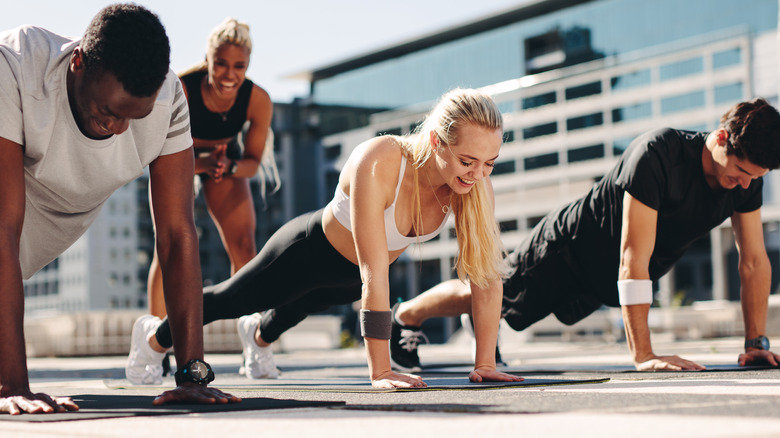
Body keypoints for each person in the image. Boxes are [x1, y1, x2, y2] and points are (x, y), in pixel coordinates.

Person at [126, 88, 524, 388]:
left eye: (489, 163)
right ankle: (152, 338)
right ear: (437, 141)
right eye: (467, 161)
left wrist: (485, 364)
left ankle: (257, 336)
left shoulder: (474, 187)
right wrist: (381, 371)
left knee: (296, 310)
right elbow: (375, 271)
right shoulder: (382, 160)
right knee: (233, 299)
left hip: (350, 282)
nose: (477, 174)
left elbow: (486, 277)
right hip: (308, 251)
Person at [390, 98, 780, 372]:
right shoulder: (659, 154)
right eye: (740, 171)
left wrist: (755, 343)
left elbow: (752, 262)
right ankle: (406, 315)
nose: (743, 185)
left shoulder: (744, 184)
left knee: (503, 306)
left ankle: (480, 320)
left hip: (607, 277)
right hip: (568, 249)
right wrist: (643, 354)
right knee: (497, 291)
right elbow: (633, 255)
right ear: (722, 137)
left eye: (753, 179)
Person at [0, 4, 238, 415]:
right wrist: (13, 384)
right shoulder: (18, 67)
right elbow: (2, 228)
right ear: (78, 62)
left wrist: (192, 374)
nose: (120, 129)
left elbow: (178, 235)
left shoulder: (167, 100)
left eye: (134, 116)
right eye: (108, 111)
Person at [146, 17, 278, 320]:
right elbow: (156, 149)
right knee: (167, 246)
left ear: (248, 65)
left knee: (245, 245)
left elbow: (253, 164)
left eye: (239, 67)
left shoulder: (258, 100)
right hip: (175, 155)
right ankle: (155, 343)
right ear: (207, 59)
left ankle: (252, 340)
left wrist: (228, 166)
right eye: (220, 64)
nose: (229, 74)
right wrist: (201, 162)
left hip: (224, 159)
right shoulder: (181, 88)